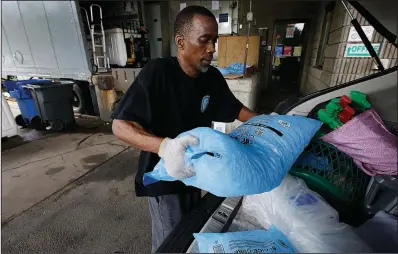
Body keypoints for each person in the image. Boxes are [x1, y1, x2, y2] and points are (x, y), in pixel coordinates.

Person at [111, 5, 258, 252]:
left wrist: (270, 122)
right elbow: (120, 126)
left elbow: (235, 109)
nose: (212, 49)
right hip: (166, 177)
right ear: (181, 42)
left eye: (214, 41)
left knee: (191, 233)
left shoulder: (211, 77)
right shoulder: (158, 73)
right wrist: (166, 147)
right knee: (172, 243)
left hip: (195, 173)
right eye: (204, 40)